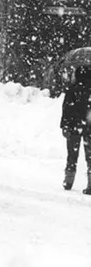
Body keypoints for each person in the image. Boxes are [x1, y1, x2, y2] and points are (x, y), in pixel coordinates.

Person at [60, 65, 91, 193]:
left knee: (72, 155)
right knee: (90, 157)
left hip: (74, 126)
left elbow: (66, 108)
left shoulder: (72, 90)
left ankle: (68, 180)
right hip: (90, 127)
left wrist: (64, 125)